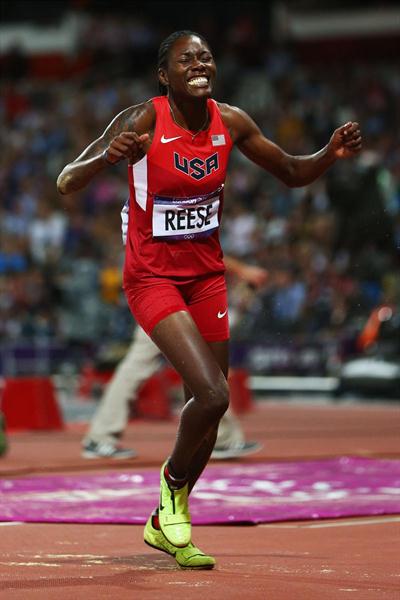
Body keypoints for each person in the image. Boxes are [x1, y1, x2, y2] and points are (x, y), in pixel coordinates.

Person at [57, 30, 362, 570]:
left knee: (212, 412)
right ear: (164, 75)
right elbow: (65, 181)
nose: (199, 64)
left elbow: (291, 171)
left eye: (205, 56)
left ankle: (165, 520)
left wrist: (329, 154)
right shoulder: (142, 119)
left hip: (206, 277)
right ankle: (172, 488)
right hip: (152, 278)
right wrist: (109, 156)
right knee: (214, 393)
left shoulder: (233, 121)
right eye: (185, 59)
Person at [81, 255, 268, 461]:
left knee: (200, 363)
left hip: (173, 286)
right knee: (142, 364)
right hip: (163, 290)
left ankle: (221, 436)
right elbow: (189, 247)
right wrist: (241, 270)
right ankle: (99, 437)